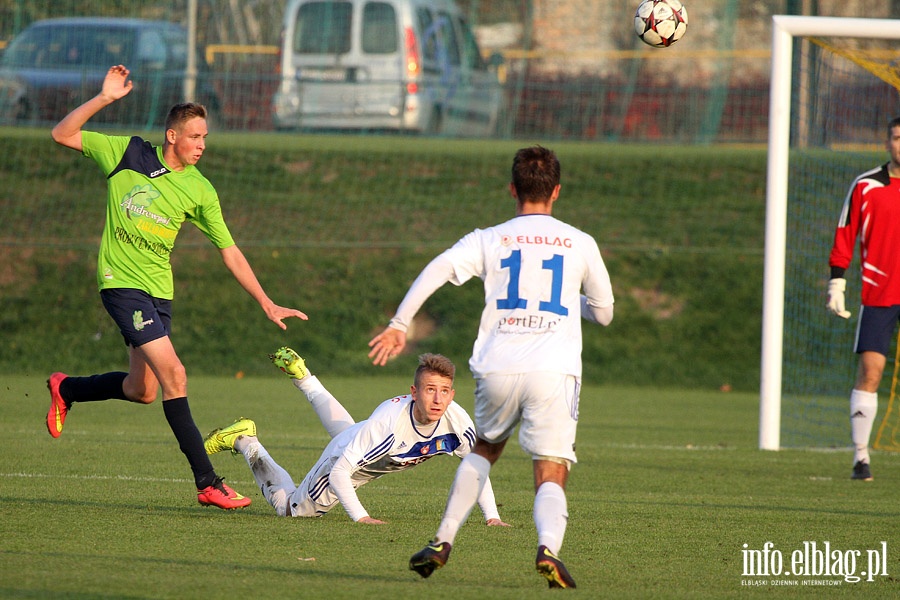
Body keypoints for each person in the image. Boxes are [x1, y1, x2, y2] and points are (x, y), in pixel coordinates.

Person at [47, 65, 307, 510]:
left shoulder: (200, 190)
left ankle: (66, 389)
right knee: (176, 375)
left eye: (206, 138)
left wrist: (266, 301)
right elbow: (62, 133)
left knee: (141, 390)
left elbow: (229, 249)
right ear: (172, 136)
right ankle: (207, 482)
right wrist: (105, 98)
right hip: (121, 284)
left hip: (158, 292)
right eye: (195, 137)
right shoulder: (127, 154)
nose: (202, 145)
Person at [368, 145, 615, 589]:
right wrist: (566, 302)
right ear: (556, 191)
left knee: (484, 449)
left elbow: (438, 269)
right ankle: (548, 550)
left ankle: (443, 540)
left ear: (512, 189)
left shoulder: (489, 238)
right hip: (554, 371)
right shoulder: (580, 242)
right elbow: (604, 313)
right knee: (551, 466)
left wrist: (399, 323)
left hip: (499, 365)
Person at [204, 347, 509, 526]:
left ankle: (304, 377)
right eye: (430, 390)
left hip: (360, 445)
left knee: (348, 430)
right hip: (342, 465)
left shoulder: (458, 422)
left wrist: (491, 516)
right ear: (414, 392)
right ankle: (246, 440)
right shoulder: (389, 423)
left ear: (452, 394)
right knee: (291, 510)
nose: (438, 399)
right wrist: (361, 517)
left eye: (444, 392)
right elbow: (339, 473)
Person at [826, 116, 900, 482]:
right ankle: (860, 458)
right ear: (888, 142)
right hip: (880, 292)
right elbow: (846, 231)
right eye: (897, 137)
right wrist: (836, 283)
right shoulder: (867, 185)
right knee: (871, 371)